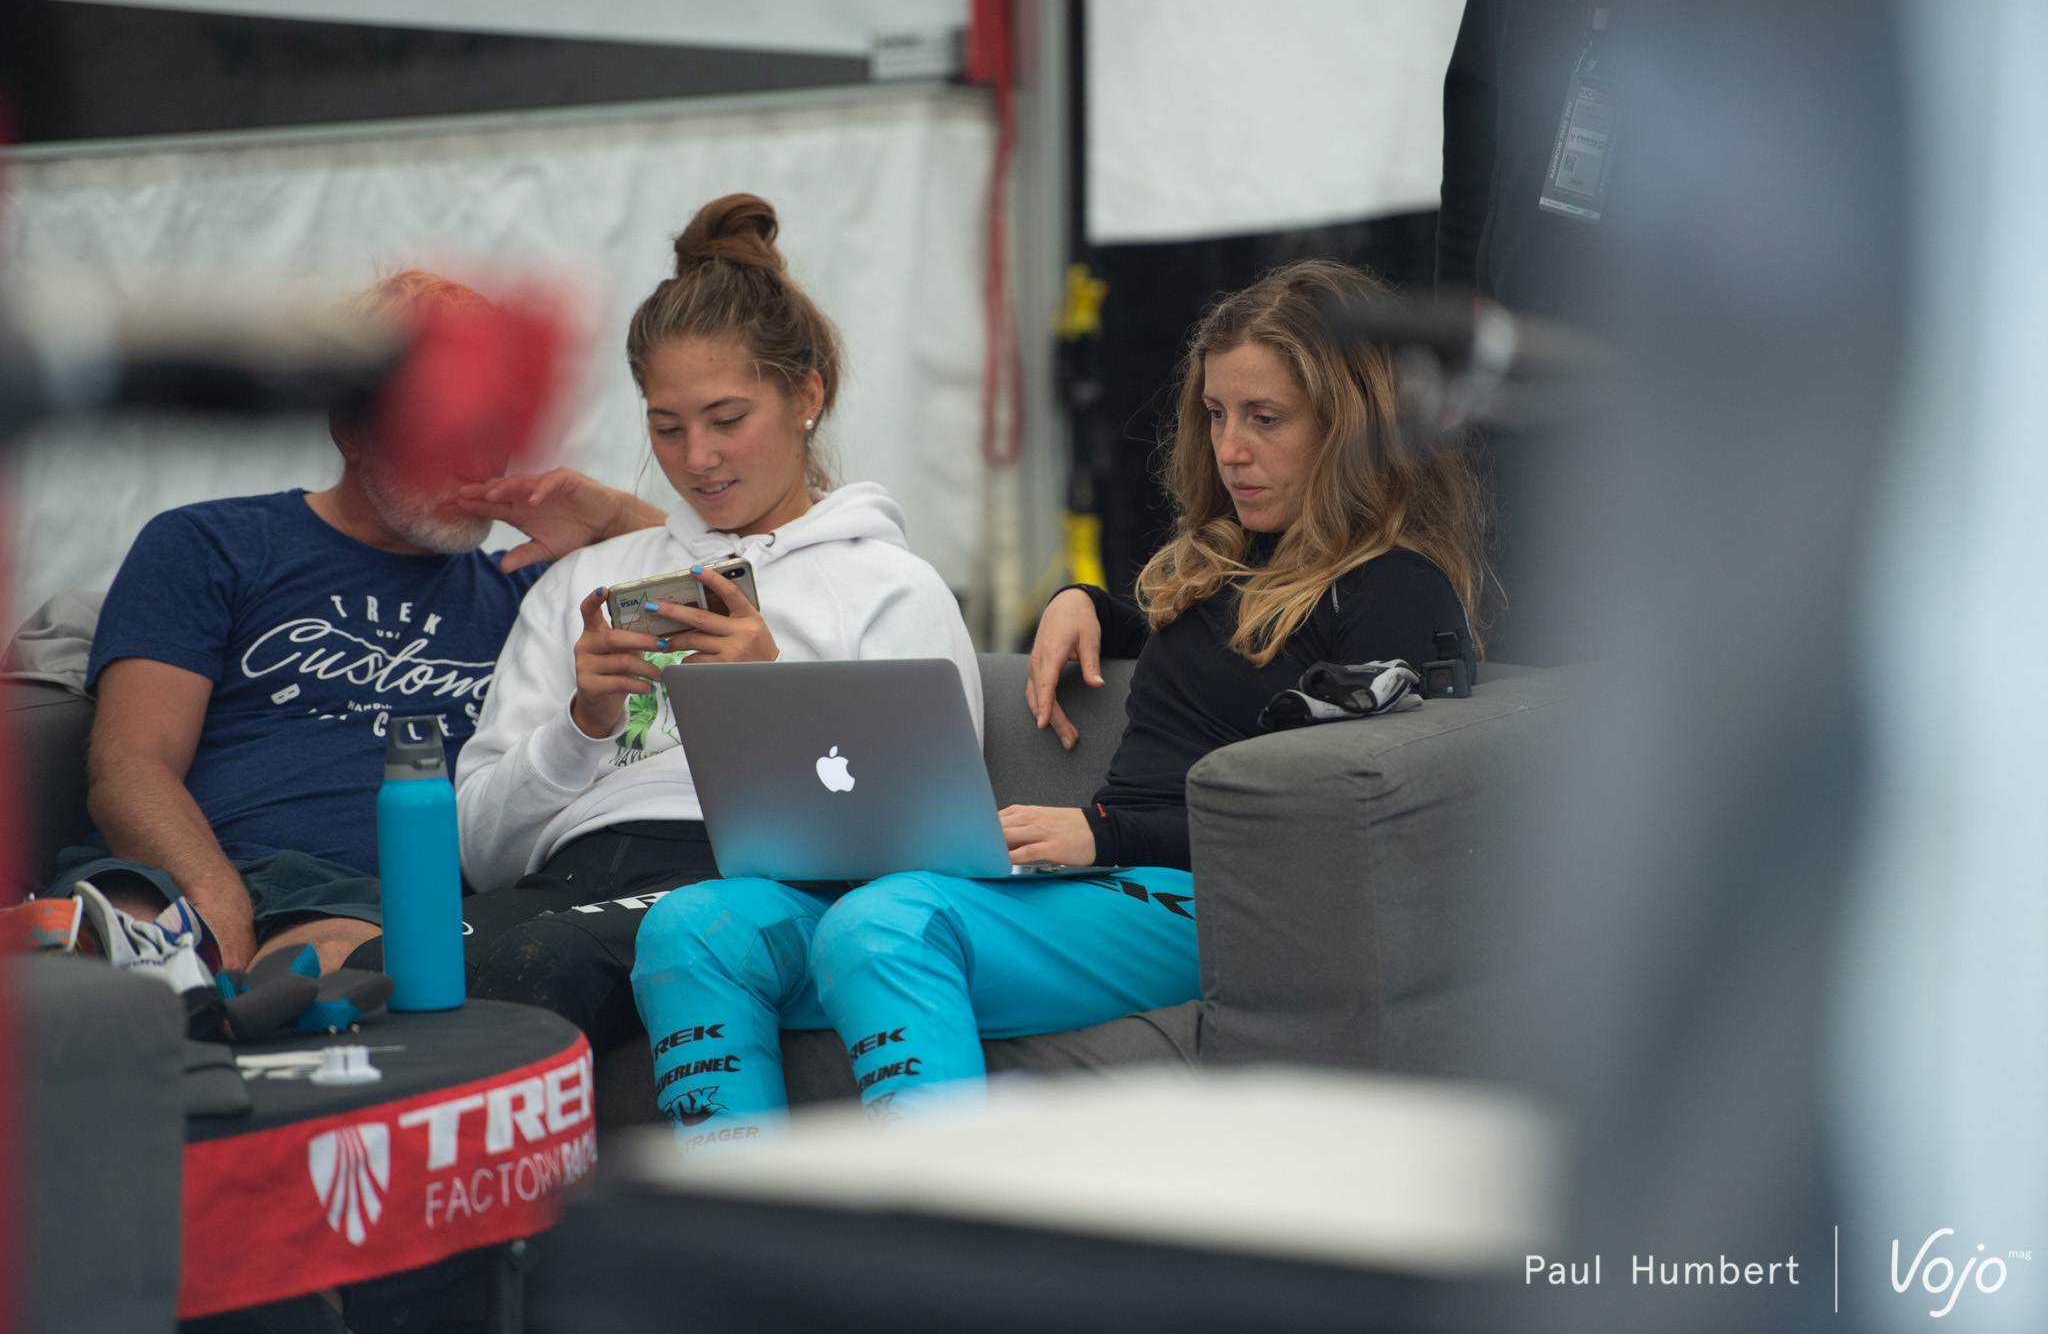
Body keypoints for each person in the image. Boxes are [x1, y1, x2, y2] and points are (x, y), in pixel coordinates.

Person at [629, 258, 1489, 1150]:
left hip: (1204, 903)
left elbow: (1339, 826)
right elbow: (1219, 654)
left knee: (887, 925)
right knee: (695, 929)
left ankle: (940, 1226)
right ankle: (731, 1214)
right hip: (1103, 882)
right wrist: (1090, 603)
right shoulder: (1236, 561)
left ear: (1351, 426)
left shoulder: (1397, 589)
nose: (1230, 448)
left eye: (1265, 419)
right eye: (1215, 413)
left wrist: (1106, 833)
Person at [449, 193, 979, 1067]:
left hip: (745, 884)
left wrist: (770, 700)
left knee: (538, 961)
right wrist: (582, 723)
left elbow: (932, 849)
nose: (697, 457)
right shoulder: (587, 578)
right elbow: (479, 852)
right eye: (666, 426)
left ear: (807, 395)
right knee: (384, 969)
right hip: (569, 869)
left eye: (728, 420)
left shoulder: (890, 586)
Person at [39, 270, 664, 973]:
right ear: (349, 429)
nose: (476, 460)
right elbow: (129, 766)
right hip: (178, 871)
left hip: (374, 906)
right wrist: (217, 901)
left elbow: (718, 572)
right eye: (441, 429)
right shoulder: (211, 542)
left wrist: (613, 516)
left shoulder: (528, 589)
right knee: (119, 950)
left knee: (328, 965)